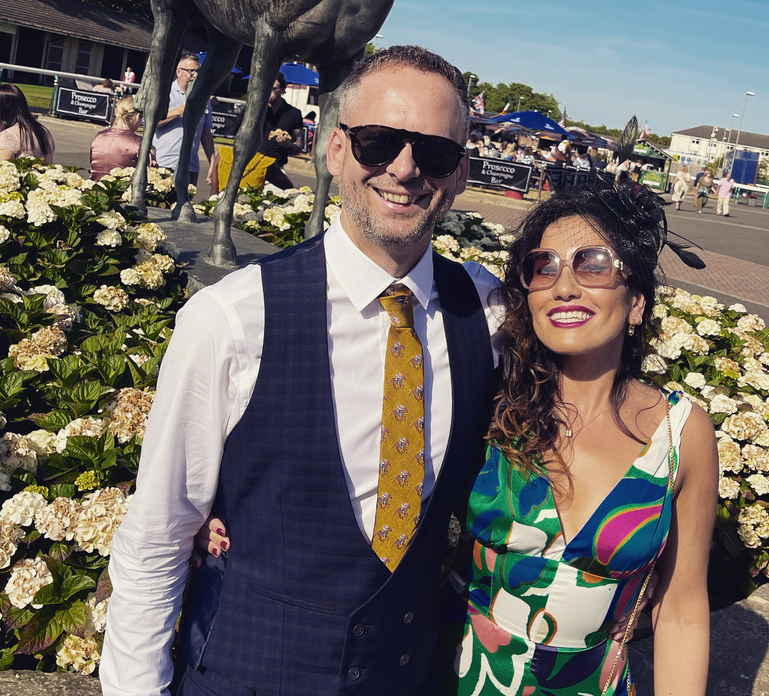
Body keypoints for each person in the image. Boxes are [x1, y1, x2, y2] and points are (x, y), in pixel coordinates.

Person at [195, 183, 718, 696]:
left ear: (637, 303)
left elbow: (681, 613)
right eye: (544, 266)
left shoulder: (678, 434)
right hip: (455, 677)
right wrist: (221, 505)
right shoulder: (491, 398)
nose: (564, 285)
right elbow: (346, 450)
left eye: (593, 264)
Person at [100, 46, 502, 696]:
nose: (405, 169)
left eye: (433, 152)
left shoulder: (487, 313)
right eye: (379, 142)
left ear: (458, 173)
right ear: (336, 150)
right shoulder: (232, 319)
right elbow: (156, 539)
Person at [153, 53, 219, 189]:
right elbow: (152, 121)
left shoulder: (204, 99)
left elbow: (206, 133)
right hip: (164, 163)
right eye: (191, 71)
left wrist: (212, 163)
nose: (195, 75)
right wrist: (179, 111)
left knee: (185, 207)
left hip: (190, 166)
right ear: (178, 71)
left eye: (197, 71)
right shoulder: (165, 93)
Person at [89, 96, 154, 181]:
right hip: (121, 191)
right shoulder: (139, 142)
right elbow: (150, 174)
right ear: (137, 116)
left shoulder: (99, 136)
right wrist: (152, 155)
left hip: (94, 190)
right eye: (141, 117)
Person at [258, 73, 304, 189]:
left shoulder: (294, 113)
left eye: (274, 88)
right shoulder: (256, 111)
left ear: (283, 90)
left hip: (276, 168)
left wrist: (287, 145)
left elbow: (300, 146)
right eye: (266, 87)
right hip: (253, 165)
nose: (269, 91)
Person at [0, 83, 55, 163]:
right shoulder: (43, 132)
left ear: (2, 108)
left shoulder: (7, 136)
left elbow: (4, 172)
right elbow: (49, 166)